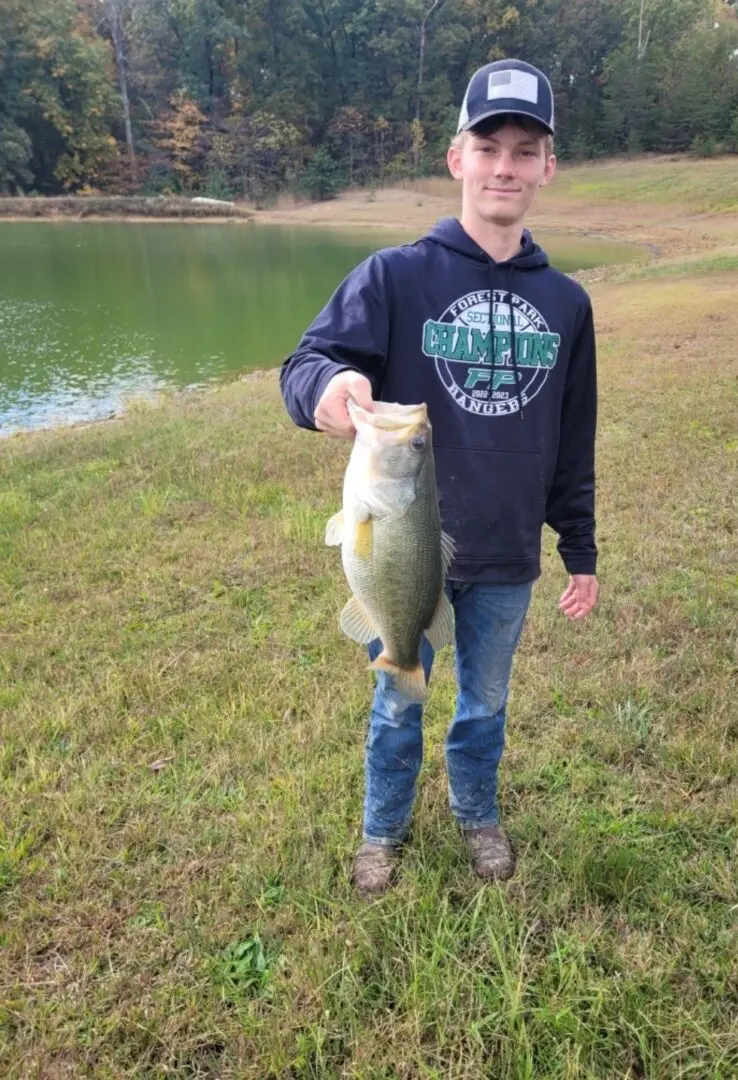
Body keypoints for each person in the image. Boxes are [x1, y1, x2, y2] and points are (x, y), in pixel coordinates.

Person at [279, 58, 599, 898]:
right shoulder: (394, 276)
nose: (505, 165)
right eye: (488, 145)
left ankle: (475, 814)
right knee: (398, 701)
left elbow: (574, 435)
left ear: (547, 169)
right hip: (409, 548)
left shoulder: (567, 303)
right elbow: (308, 363)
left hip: (504, 550)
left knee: (484, 708)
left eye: (526, 150)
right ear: (456, 157)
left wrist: (581, 544)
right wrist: (328, 391)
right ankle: (380, 830)